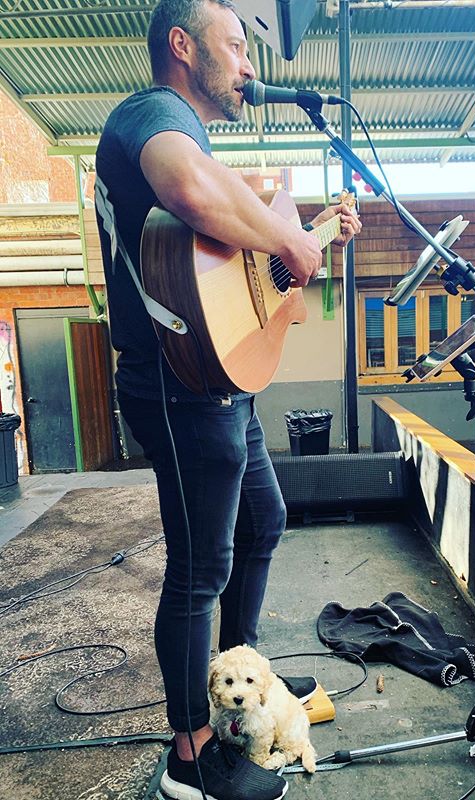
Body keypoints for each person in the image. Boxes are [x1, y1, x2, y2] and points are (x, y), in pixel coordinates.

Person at [95, 1, 360, 798]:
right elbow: (192, 191)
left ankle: (242, 693)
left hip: (215, 384)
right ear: (183, 46)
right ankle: (192, 753)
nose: (250, 65)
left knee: (265, 521)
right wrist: (290, 238)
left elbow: (249, 283)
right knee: (201, 565)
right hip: (177, 389)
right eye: (236, 46)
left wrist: (303, 244)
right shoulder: (155, 114)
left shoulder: (195, 134)